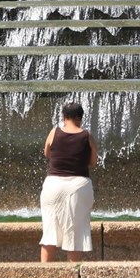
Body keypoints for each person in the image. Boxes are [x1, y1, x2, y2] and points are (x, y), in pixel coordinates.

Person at [40, 101, 97, 263]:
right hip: (78, 186)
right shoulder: (87, 136)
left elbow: (47, 153)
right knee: (75, 235)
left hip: (53, 185)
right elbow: (93, 162)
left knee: (50, 233)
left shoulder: (54, 132)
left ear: (64, 117)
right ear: (80, 118)